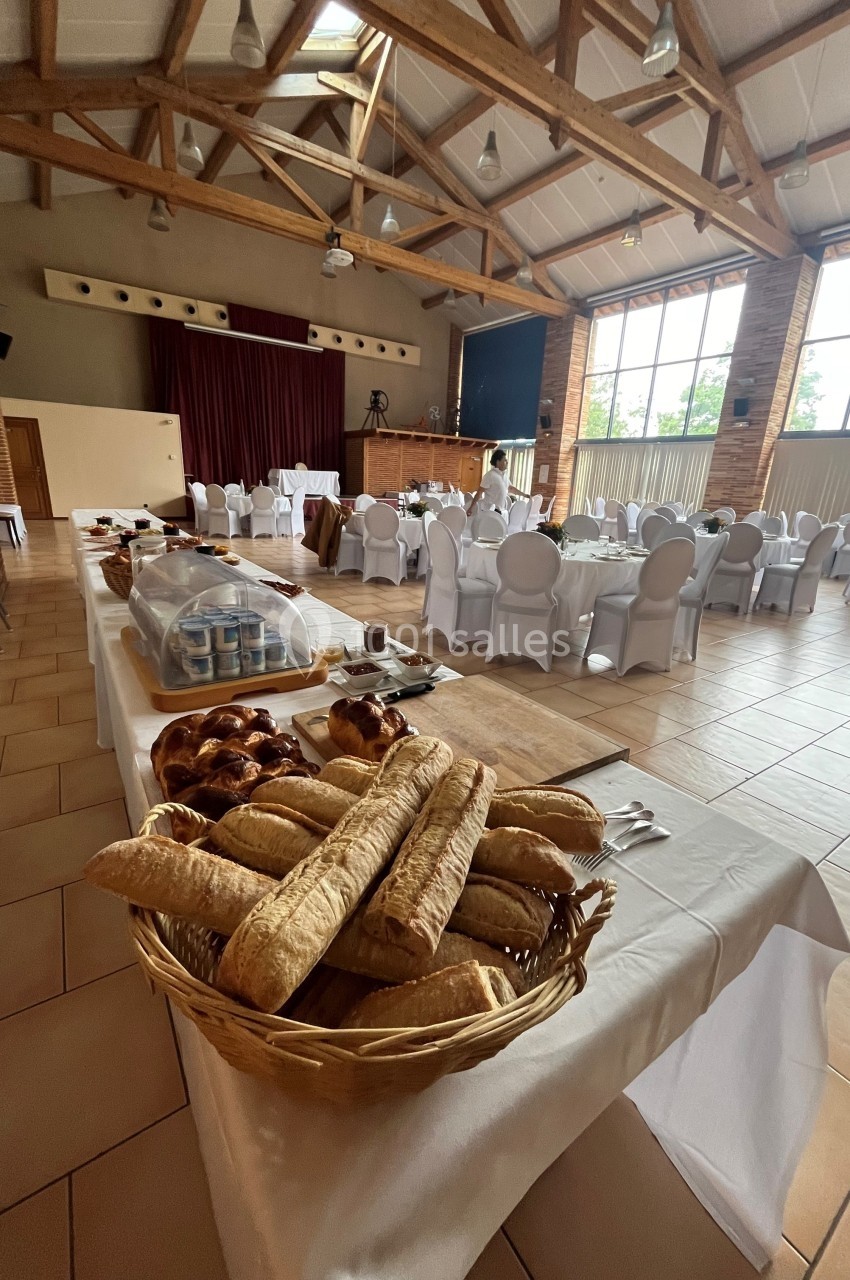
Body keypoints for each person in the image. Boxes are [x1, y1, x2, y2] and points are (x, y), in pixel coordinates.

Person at [471, 449, 528, 514]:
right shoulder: (490, 475)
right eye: (505, 460)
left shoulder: (504, 475)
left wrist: (524, 495)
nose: (507, 462)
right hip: (490, 510)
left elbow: (511, 488)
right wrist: (471, 508)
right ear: (498, 462)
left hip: (500, 510)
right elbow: (479, 493)